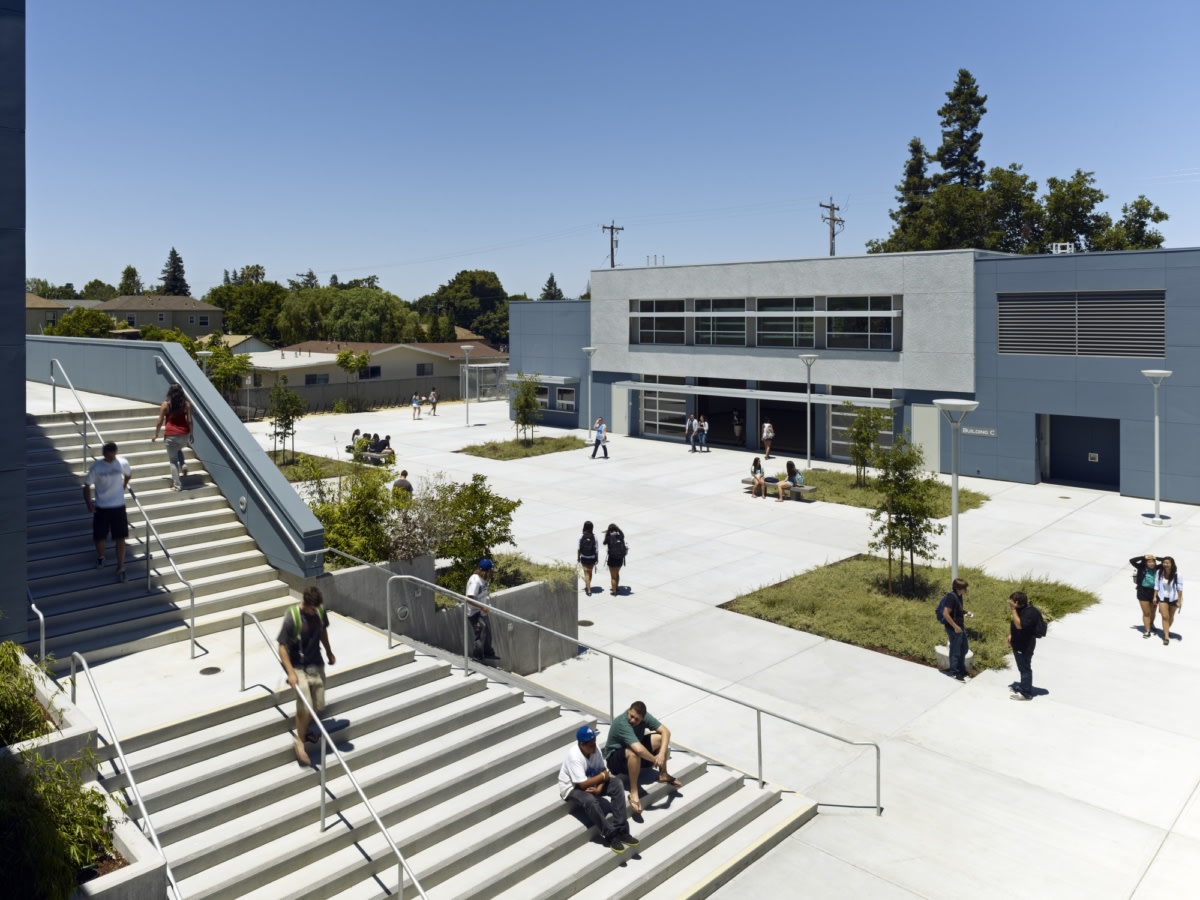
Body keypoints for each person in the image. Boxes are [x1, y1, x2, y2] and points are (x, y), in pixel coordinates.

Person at [277, 586, 336, 765]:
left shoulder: (319, 611)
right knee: (305, 706)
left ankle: (303, 728)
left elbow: (323, 631)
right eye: (311, 609)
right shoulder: (292, 617)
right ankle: (300, 741)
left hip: (316, 664)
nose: (314, 612)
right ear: (305, 603)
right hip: (298, 667)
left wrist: (329, 651)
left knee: (318, 705)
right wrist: (291, 673)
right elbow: (281, 647)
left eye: (316, 608)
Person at [558, 725, 636, 853]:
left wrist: (599, 788)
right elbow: (583, 785)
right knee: (589, 800)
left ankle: (622, 830)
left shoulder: (595, 749)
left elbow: (603, 771)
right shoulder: (574, 756)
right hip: (572, 787)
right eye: (591, 745)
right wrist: (602, 777)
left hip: (593, 781)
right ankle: (610, 835)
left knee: (617, 784)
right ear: (582, 744)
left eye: (594, 742)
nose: (594, 746)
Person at [603, 700, 682, 816]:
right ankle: (634, 791)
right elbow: (639, 750)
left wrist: (661, 754)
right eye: (631, 716)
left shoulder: (645, 717)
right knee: (634, 752)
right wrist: (655, 759)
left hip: (634, 751)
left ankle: (663, 774)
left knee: (660, 739)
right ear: (629, 711)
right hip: (615, 760)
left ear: (643, 717)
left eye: (637, 719)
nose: (633, 720)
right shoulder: (622, 723)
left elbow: (666, 732)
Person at [83, 442, 132, 582]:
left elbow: (129, 474)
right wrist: (88, 502)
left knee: (120, 537)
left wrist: (123, 485)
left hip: (118, 506)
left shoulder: (122, 462)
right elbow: (86, 485)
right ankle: (101, 557)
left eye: (114, 455)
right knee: (99, 536)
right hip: (102, 507)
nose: (112, 459)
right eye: (109, 456)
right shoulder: (96, 467)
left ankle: (121, 566)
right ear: (104, 454)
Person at [152, 382, 193, 491]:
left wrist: (156, 434)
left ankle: (177, 485)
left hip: (171, 435)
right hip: (184, 434)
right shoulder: (187, 404)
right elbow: (189, 420)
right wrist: (192, 434)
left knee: (173, 460)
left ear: (170, 392)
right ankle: (183, 464)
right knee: (178, 448)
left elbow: (159, 422)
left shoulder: (165, 404)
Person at [1007, 590, 1041, 701]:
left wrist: (1013, 609)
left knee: (1025, 668)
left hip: (1025, 646)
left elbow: (1019, 625)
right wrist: (1011, 634)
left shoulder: (1030, 613)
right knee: (1022, 668)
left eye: (1011, 602)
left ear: (1016, 602)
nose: (1009, 603)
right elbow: (1014, 623)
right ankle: (1023, 686)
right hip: (1018, 643)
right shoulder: (1021, 609)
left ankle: (1026, 693)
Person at [465, 559, 498, 661]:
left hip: (481, 611)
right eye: (491, 570)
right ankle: (477, 656)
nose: (492, 572)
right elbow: (469, 599)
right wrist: (481, 607)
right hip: (474, 612)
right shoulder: (475, 581)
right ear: (486, 571)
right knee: (481, 632)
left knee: (487, 631)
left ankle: (488, 653)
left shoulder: (484, 579)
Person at [941, 578, 972, 682]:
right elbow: (945, 613)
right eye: (964, 588)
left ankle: (961, 669)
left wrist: (965, 613)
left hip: (960, 627)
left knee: (964, 649)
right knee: (955, 650)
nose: (966, 590)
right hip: (954, 628)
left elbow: (957, 609)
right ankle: (955, 672)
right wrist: (955, 627)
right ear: (958, 588)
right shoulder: (951, 597)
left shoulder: (959, 596)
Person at [1131, 553, 1160, 639]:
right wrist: (1144, 557)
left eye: (1153, 562)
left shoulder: (1158, 568)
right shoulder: (1141, 567)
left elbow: (1170, 561)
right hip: (1143, 591)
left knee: (1153, 612)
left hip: (1155, 592)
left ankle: (1151, 624)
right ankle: (1147, 631)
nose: (1152, 563)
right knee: (1146, 613)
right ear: (1145, 563)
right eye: (1149, 562)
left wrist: (1156, 557)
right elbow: (1132, 560)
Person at [1155, 556, 1183, 646]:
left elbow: (1180, 589)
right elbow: (1156, 585)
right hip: (1163, 597)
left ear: (1172, 564)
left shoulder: (1177, 574)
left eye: (1167, 563)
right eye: (1164, 563)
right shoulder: (1159, 572)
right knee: (1165, 616)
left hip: (1174, 598)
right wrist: (1154, 597)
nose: (1165, 564)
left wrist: (1179, 601)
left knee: (1170, 616)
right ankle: (1166, 636)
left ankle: (1166, 629)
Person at [603, 524, 627, 596]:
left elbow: (604, 543)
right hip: (620, 559)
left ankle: (614, 591)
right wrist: (617, 529)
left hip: (612, 559)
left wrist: (607, 533)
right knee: (617, 573)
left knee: (613, 576)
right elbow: (622, 534)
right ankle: (616, 587)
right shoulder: (620, 536)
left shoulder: (609, 537)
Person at [578, 520, 599, 594]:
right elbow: (596, 549)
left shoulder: (581, 536)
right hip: (592, 557)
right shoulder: (595, 536)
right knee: (590, 572)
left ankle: (588, 589)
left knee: (586, 573)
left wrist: (578, 558)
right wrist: (597, 559)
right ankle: (588, 587)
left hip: (584, 557)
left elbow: (579, 548)